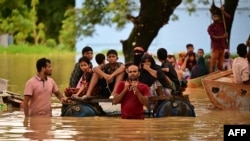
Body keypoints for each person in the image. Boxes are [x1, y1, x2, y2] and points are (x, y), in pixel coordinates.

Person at [207, 6, 231, 73]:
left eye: (217, 16)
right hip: (215, 47)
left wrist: (223, 11)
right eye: (214, 17)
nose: (216, 18)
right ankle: (211, 75)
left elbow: (228, 17)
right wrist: (223, 36)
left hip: (222, 46)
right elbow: (213, 37)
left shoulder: (221, 24)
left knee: (220, 63)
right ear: (212, 18)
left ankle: (220, 75)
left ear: (219, 17)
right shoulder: (210, 27)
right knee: (213, 62)